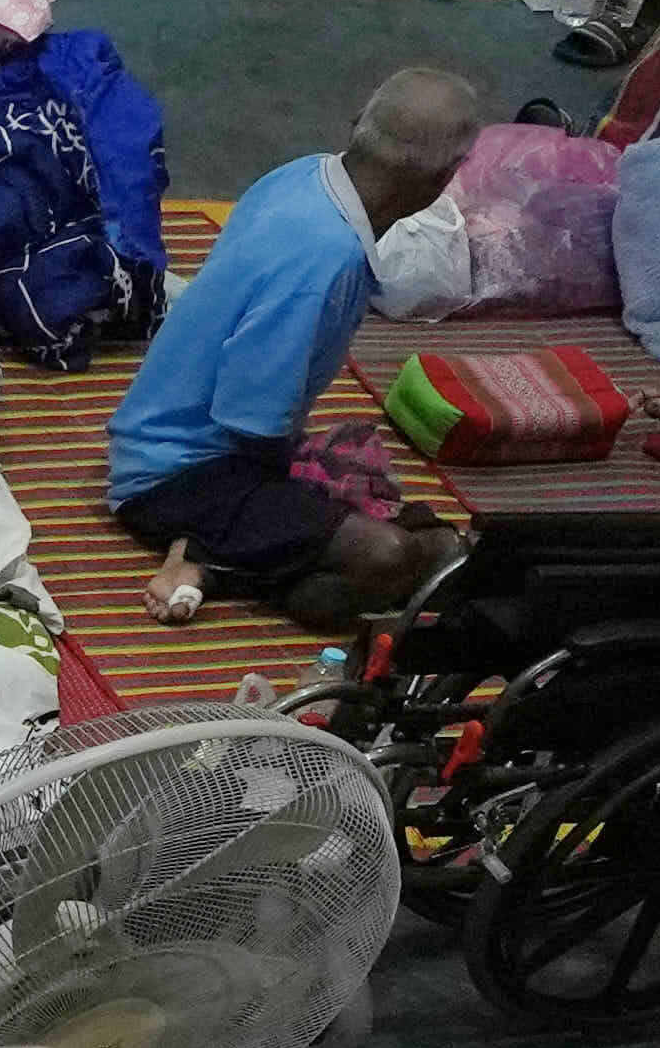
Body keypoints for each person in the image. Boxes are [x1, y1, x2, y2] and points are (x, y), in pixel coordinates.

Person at [107, 60, 486, 626]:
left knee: (430, 552)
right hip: (175, 477)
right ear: (442, 178)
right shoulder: (325, 260)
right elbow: (250, 424)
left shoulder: (307, 175)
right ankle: (203, 558)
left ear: (359, 122)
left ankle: (279, 571)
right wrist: (305, 487)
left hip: (189, 444)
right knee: (402, 555)